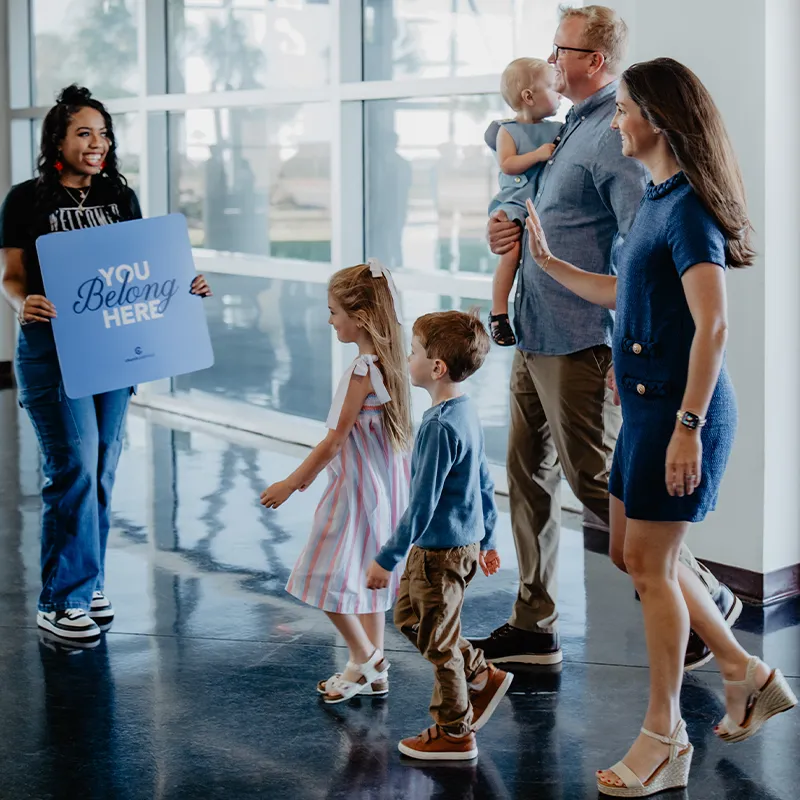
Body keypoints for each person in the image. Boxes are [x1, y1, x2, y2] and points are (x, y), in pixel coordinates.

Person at [524, 57, 797, 796]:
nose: (616, 120)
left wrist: (686, 427)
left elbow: (713, 326)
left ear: (658, 119)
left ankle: (664, 736)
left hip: (682, 414)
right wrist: (549, 264)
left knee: (652, 566)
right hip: (648, 407)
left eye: (626, 110)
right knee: (631, 554)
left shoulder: (689, 213)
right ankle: (745, 672)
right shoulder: (656, 196)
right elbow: (628, 290)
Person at [470, 4, 738, 671]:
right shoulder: (562, 134)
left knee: (601, 485)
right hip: (535, 331)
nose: (551, 59)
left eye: (560, 49)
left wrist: (625, 344)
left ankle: (706, 599)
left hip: (584, 342)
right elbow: (544, 221)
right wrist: (505, 236)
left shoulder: (614, 145)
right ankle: (534, 624)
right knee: (526, 480)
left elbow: (642, 256)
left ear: (594, 61)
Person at [0, 85, 211, 643]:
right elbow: (11, 275)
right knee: (73, 466)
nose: (97, 143)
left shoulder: (121, 196)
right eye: (84, 133)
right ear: (58, 140)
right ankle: (61, 598)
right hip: (52, 350)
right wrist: (24, 303)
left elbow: (139, 272)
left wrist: (181, 286)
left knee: (102, 463)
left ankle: (85, 577)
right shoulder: (25, 200)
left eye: (104, 133)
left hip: (112, 348)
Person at [261, 260, 413, 704]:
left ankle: (368, 658)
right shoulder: (394, 363)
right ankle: (369, 666)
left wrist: (292, 483)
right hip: (386, 490)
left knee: (322, 574)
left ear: (360, 316)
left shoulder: (362, 370)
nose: (329, 320)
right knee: (371, 578)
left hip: (355, 490)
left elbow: (333, 441)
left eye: (333, 312)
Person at [366, 311, 511, 761]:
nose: (407, 358)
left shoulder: (438, 426)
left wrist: (386, 557)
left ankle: (454, 731)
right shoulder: (465, 412)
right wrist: (487, 539)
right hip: (453, 546)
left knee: (440, 642)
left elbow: (423, 504)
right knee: (410, 619)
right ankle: (482, 674)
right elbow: (483, 481)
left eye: (413, 352)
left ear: (437, 368)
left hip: (439, 554)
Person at [486, 57, 562, 347]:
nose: (559, 94)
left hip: (540, 204)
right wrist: (538, 155)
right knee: (511, 251)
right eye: (552, 88)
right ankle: (499, 312)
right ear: (529, 97)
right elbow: (507, 164)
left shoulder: (557, 127)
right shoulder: (508, 130)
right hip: (514, 201)